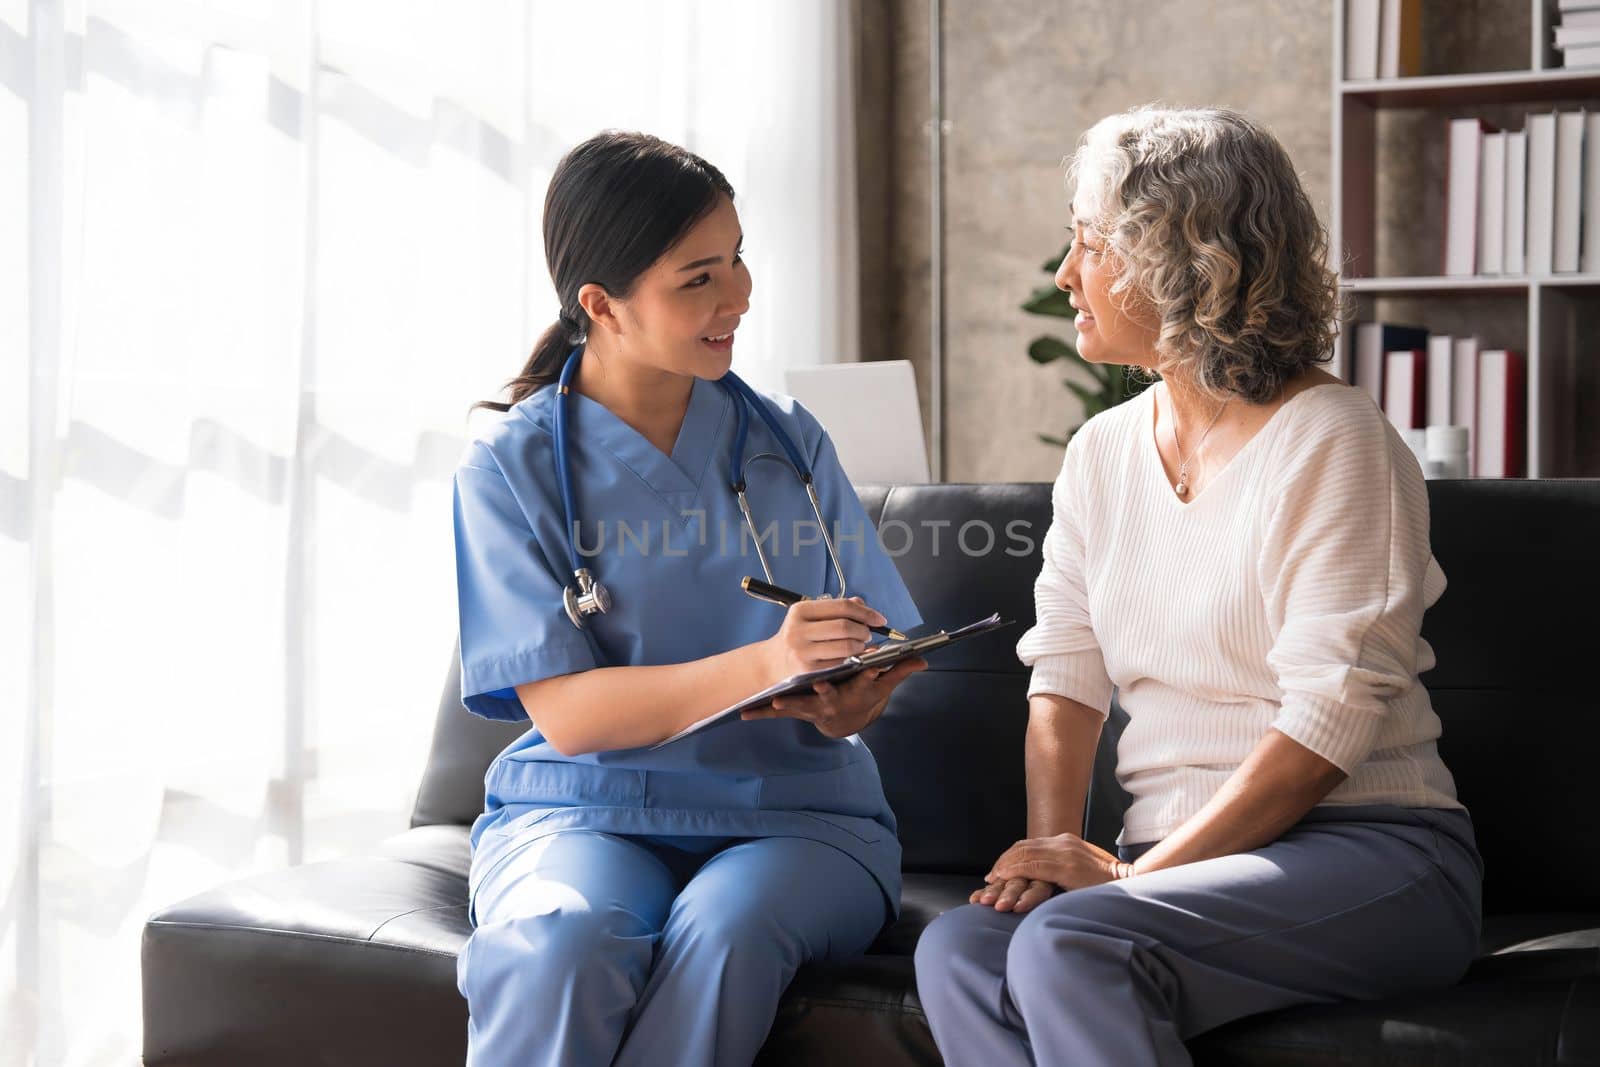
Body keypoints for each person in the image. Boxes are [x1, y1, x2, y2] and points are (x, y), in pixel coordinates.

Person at [913, 105, 1484, 1066]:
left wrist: (1123, 890)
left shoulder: (1337, 440)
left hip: (1375, 852)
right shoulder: (1100, 452)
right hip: (1170, 870)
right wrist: (1054, 860)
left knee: (1074, 943)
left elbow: (1327, 723)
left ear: (1178, 262)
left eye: (1088, 245)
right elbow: (1064, 674)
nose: (1065, 277)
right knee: (965, 948)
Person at [452, 130, 926, 1067]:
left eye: (739, 257)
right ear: (602, 305)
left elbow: (882, 647)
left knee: (728, 928)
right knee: (559, 940)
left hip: (801, 816)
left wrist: (858, 694)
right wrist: (770, 658)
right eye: (698, 277)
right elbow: (573, 717)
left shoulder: (786, 442)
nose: (739, 293)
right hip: (581, 810)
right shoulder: (511, 468)